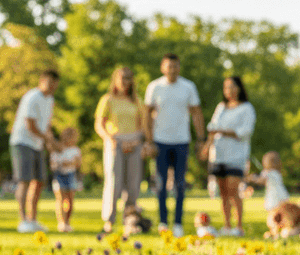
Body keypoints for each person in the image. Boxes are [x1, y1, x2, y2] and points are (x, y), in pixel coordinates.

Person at [145, 54, 205, 237]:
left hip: (181, 141)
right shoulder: (154, 87)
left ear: (179, 68)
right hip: (160, 141)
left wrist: (201, 138)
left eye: (176, 66)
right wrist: (149, 141)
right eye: (169, 66)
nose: (173, 69)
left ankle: (178, 223)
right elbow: (147, 115)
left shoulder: (188, 87)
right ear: (163, 68)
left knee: (180, 184)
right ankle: (163, 222)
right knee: (161, 184)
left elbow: (196, 113)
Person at [96, 66, 151, 234]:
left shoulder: (137, 101)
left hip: (134, 142)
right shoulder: (108, 100)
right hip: (115, 142)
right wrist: (110, 139)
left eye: (128, 78)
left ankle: (130, 220)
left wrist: (139, 142)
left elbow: (143, 126)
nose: (125, 81)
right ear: (116, 79)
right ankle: (109, 221)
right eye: (122, 77)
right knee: (114, 182)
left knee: (133, 184)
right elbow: (99, 124)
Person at [203, 75, 256, 238]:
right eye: (226, 87)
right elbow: (212, 127)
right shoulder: (221, 107)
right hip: (219, 155)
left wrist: (223, 131)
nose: (229, 90)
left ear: (239, 88)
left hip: (236, 155)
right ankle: (227, 226)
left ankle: (238, 226)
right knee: (223, 192)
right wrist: (207, 146)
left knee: (234, 190)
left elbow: (245, 131)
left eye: (232, 86)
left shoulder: (247, 108)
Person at [9, 70, 60, 233]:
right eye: (50, 83)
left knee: (39, 181)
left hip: (37, 145)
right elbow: (30, 125)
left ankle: (32, 219)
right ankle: (23, 220)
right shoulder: (32, 97)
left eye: (55, 84)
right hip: (22, 142)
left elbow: (47, 125)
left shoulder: (50, 100)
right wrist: (49, 140)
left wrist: (50, 143)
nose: (52, 87)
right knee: (24, 180)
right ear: (42, 81)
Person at [246, 151, 291, 235]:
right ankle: (282, 230)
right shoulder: (277, 173)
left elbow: (260, 181)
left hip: (274, 198)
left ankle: (274, 232)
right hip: (282, 196)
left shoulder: (267, 172)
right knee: (281, 215)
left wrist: (252, 178)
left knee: (272, 216)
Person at [49, 126, 81, 233]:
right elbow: (52, 164)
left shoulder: (75, 150)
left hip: (71, 175)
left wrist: (70, 163)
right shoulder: (57, 150)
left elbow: (78, 163)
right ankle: (61, 223)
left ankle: (67, 222)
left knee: (70, 200)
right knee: (61, 199)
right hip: (59, 175)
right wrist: (59, 164)